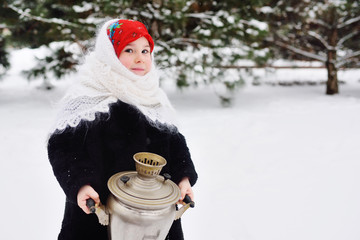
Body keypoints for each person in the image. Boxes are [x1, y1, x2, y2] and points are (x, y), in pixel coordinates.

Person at [47, 19, 198, 240]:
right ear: (110, 53)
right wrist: (81, 184)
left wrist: (183, 178)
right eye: (129, 49)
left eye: (145, 51)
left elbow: (175, 144)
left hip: (154, 216)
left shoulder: (152, 96)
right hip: (97, 212)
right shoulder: (88, 96)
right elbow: (64, 148)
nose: (140, 58)